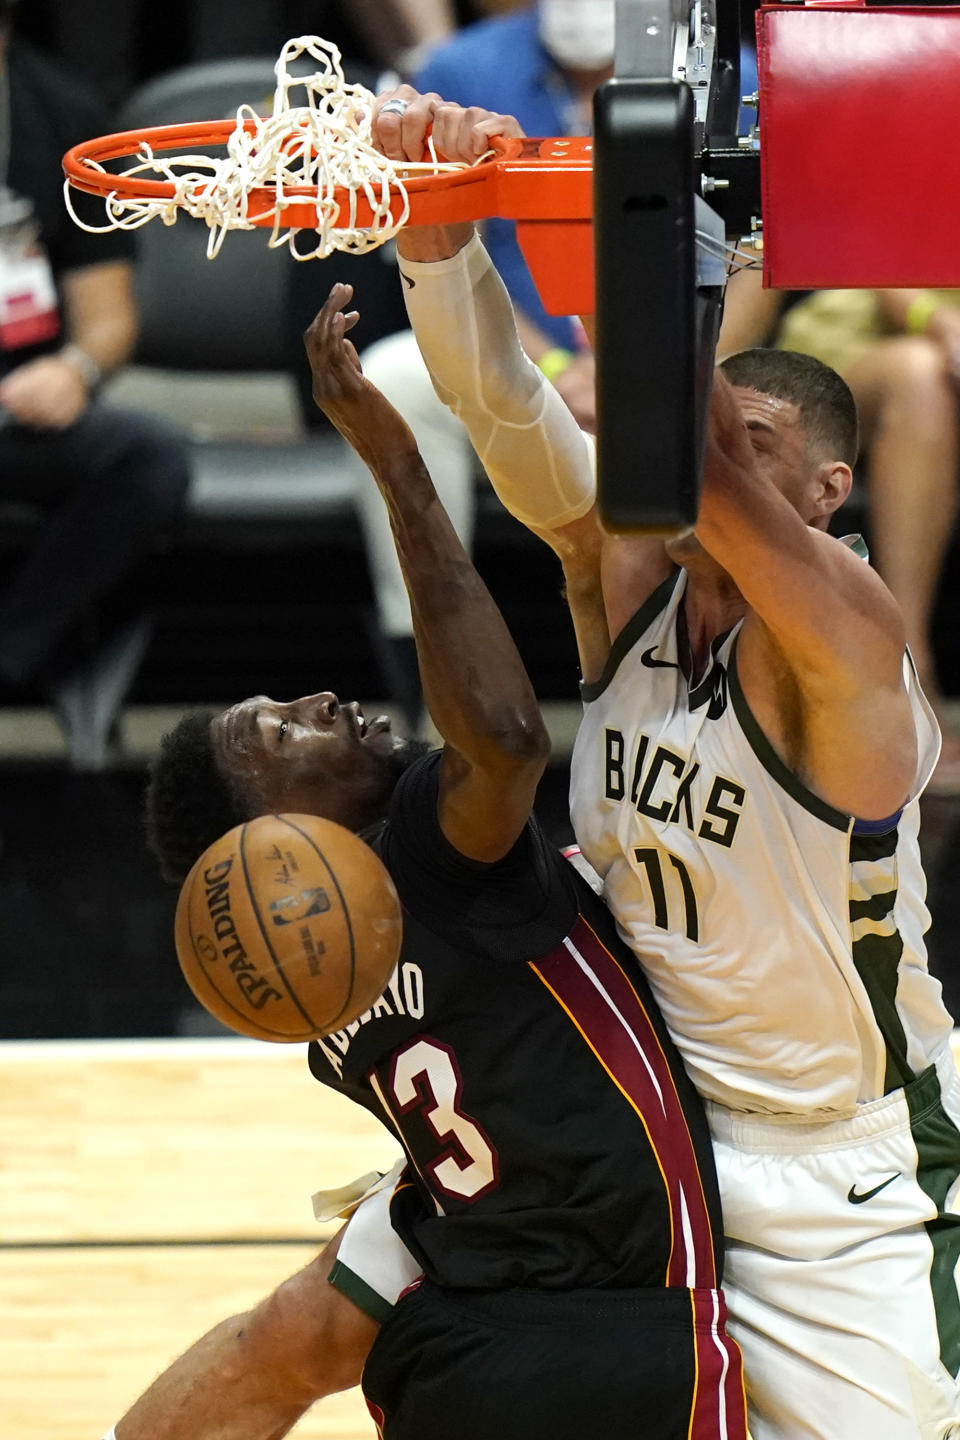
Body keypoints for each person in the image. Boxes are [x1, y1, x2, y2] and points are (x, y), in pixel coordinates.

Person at [372, 88, 960, 1440]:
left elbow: (685, 460)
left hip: (843, 1179)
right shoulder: (626, 570)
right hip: (642, 1136)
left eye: (765, 451)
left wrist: (652, 234)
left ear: (824, 492)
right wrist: (439, 218)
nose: (659, 463)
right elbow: (504, 408)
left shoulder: (851, 642)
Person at [135, 267, 746, 1436]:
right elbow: (510, 741)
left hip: (461, 1288)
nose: (320, 697)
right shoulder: (415, 843)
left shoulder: (320, 977)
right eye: (282, 730)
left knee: (283, 1340)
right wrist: (399, 463)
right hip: (626, 1302)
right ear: (275, 835)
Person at [345, 0, 611, 730]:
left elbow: (752, 257)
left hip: (675, 358)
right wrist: (558, 361)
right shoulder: (460, 70)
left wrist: (640, 369)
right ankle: (426, 677)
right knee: (394, 372)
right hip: (531, 353)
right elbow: (469, 241)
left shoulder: (739, 78)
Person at [0, 0, 190, 764]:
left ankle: (11, 655)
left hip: (20, 396)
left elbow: (108, 314)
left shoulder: (58, 112)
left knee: (148, 457)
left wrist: (73, 369)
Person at [719, 270, 960, 794]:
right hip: (862, 340)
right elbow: (877, 263)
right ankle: (911, 671)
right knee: (922, 378)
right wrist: (941, 322)